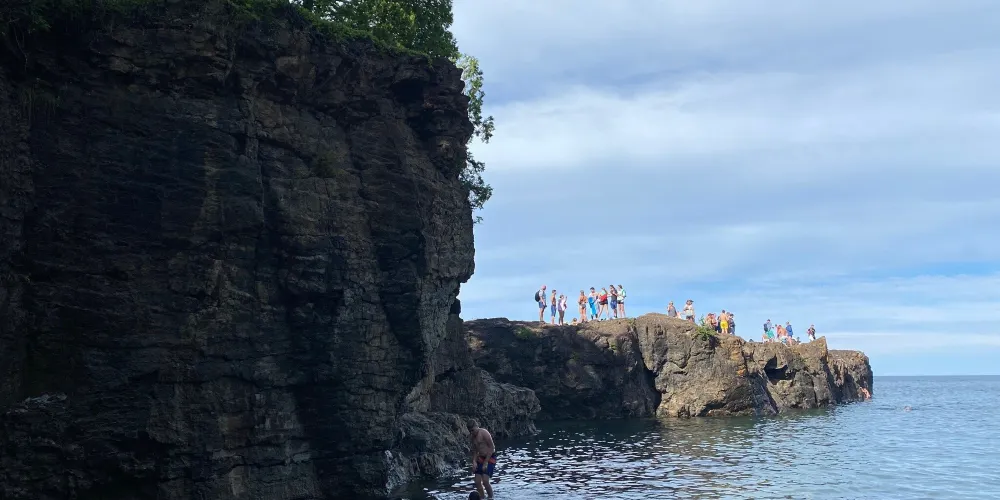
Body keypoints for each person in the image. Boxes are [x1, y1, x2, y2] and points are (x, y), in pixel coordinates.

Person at [468, 419, 496, 499]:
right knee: (477, 482)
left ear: (477, 426)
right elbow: (475, 450)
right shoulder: (472, 437)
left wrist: (486, 462)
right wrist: (474, 461)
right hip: (480, 457)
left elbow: (492, 448)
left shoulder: (484, 433)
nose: (472, 433)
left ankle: (491, 497)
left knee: (485, 481)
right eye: (470, 431)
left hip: (490, 457)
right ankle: (482, 498)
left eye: (473, 430)